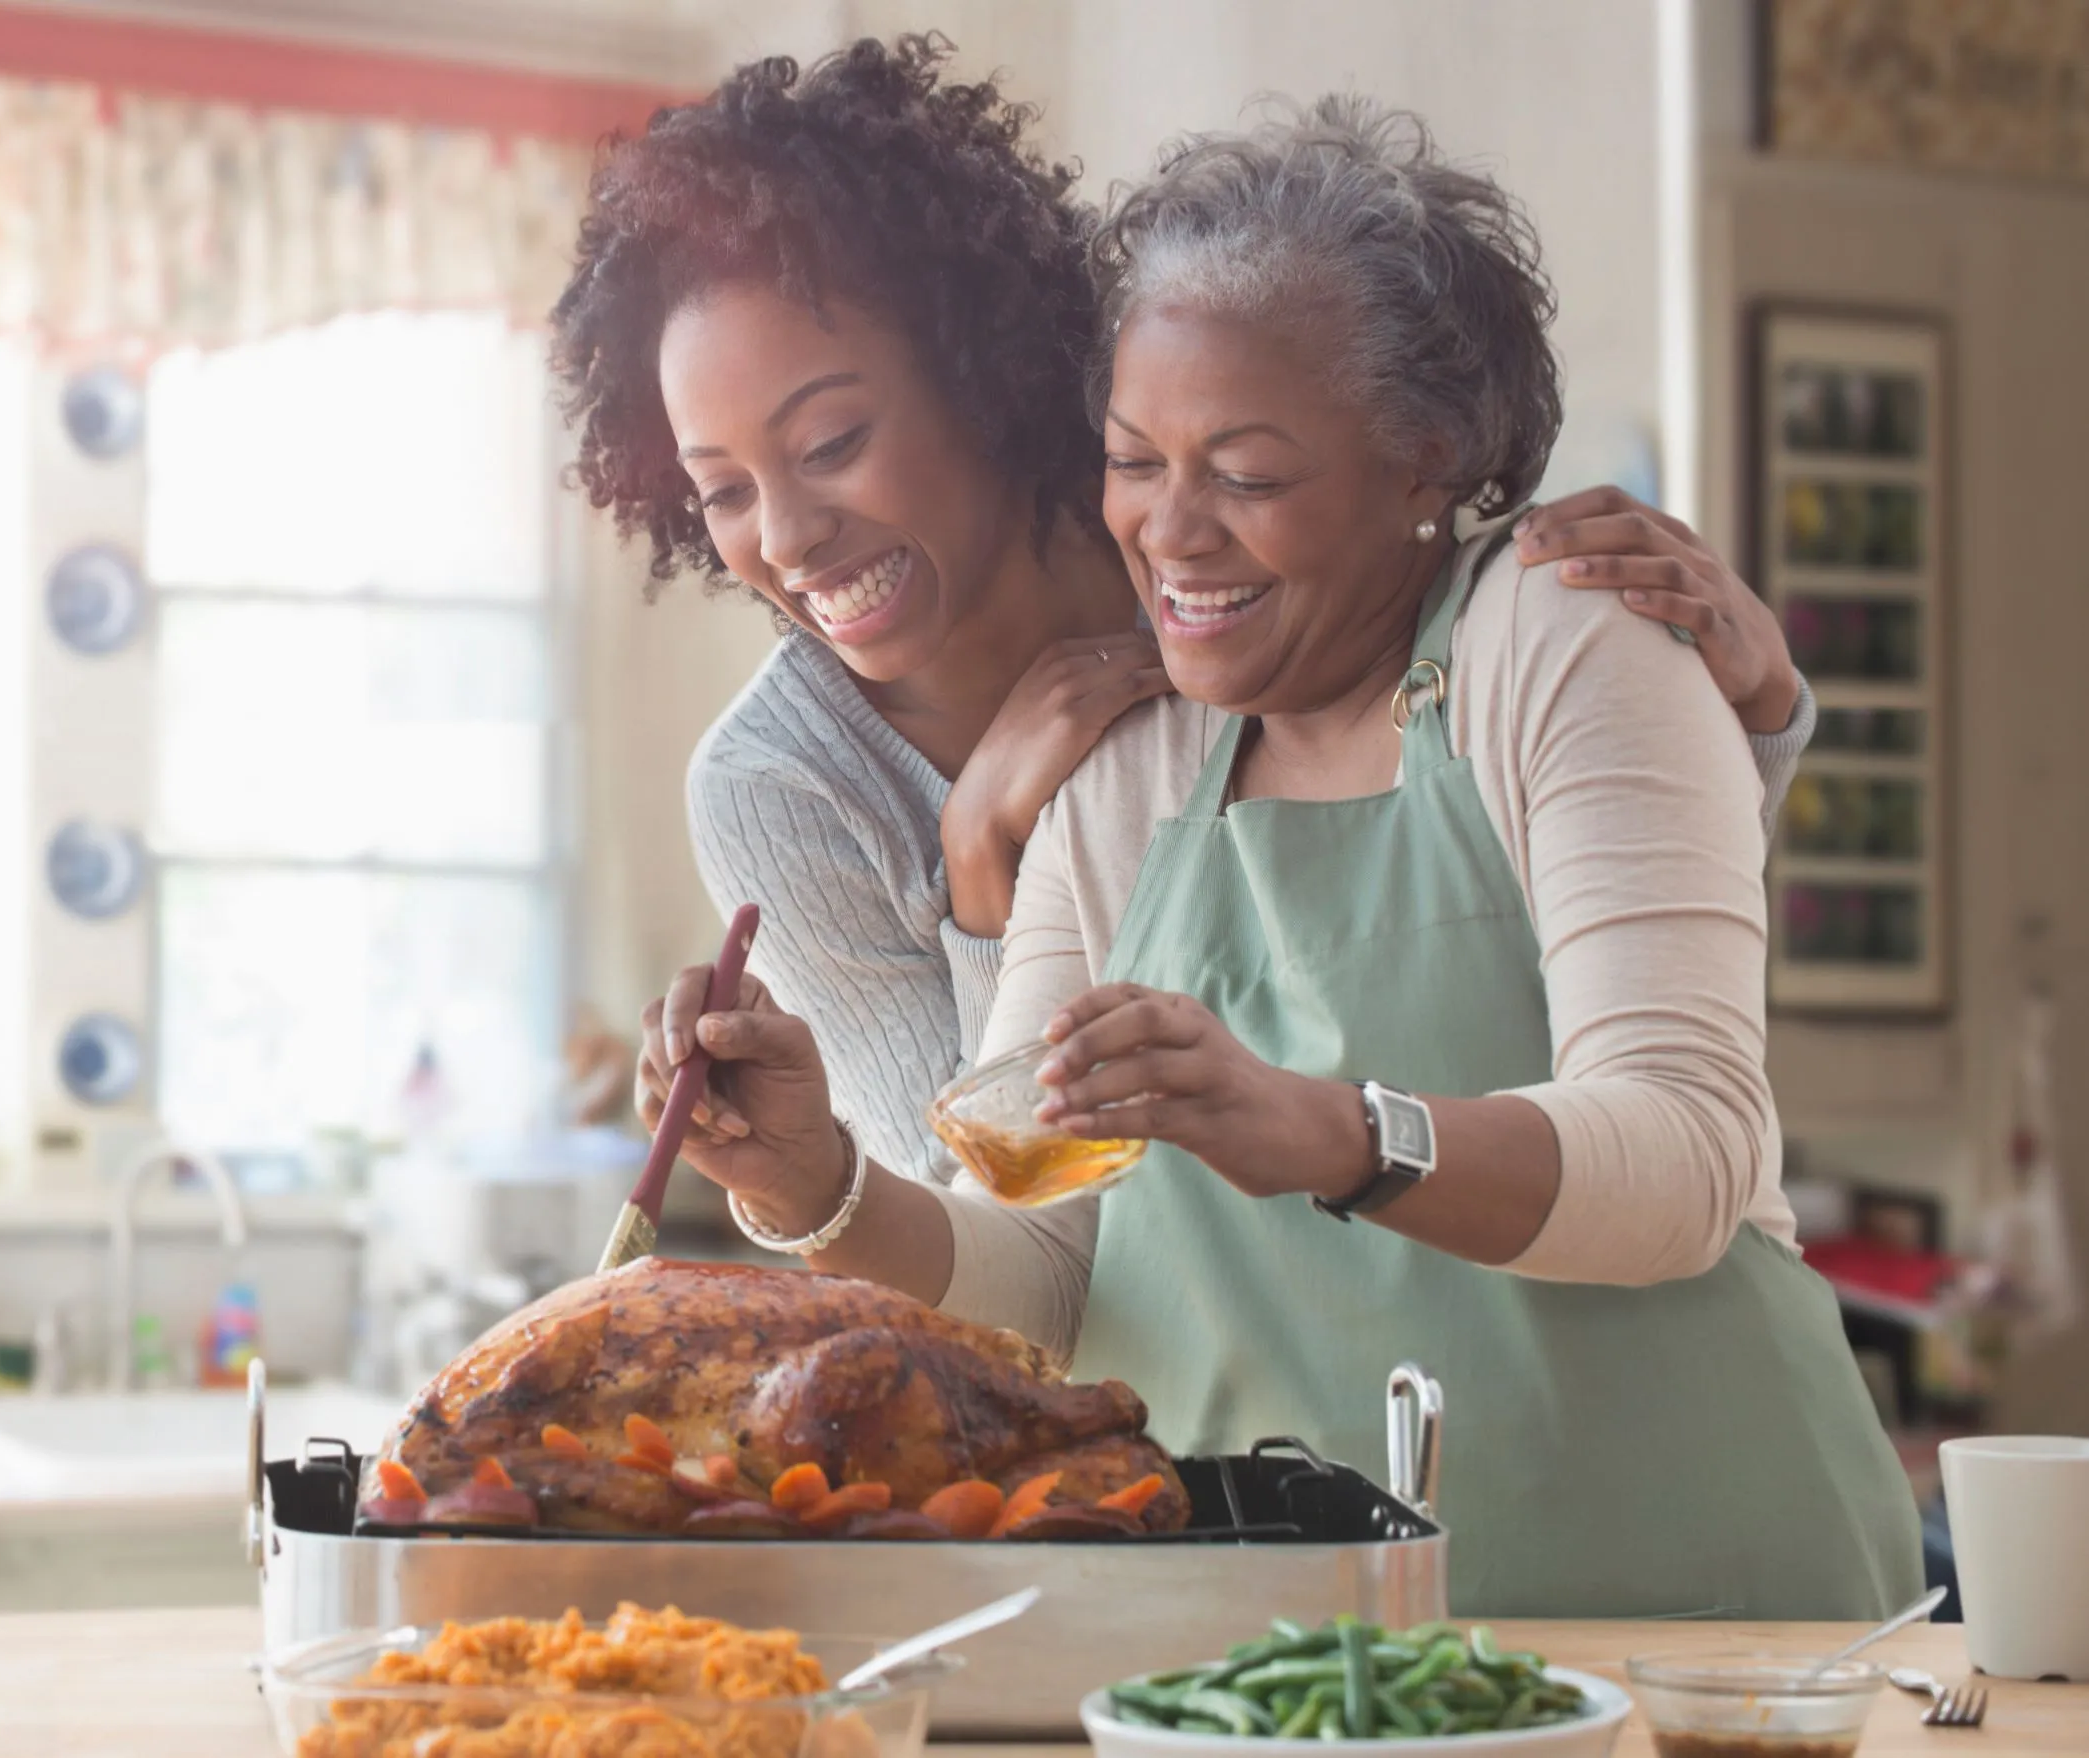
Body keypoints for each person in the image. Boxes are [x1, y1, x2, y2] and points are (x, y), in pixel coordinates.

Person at [634, 97, 1922, 1620]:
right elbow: (1047, 1274)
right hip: (1267, 1646)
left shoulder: (1566, 638)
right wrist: (816, 1184)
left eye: (1244, 473)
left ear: (1422, 458)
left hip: (1685, 1619)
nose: (1171, 534)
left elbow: (1687, 1157)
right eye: (1132, 460)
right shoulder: (1119, 770)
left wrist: (1326, 1130)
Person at [554, 37, 1814, 1192]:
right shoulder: (784, 786)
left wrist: (1749, 722)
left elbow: (1588, 979)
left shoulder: (1256, 591)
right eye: (721, 490)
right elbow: (993, 1241)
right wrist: (980, 875)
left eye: (831, 441)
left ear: (980, 370)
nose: (782, 538)